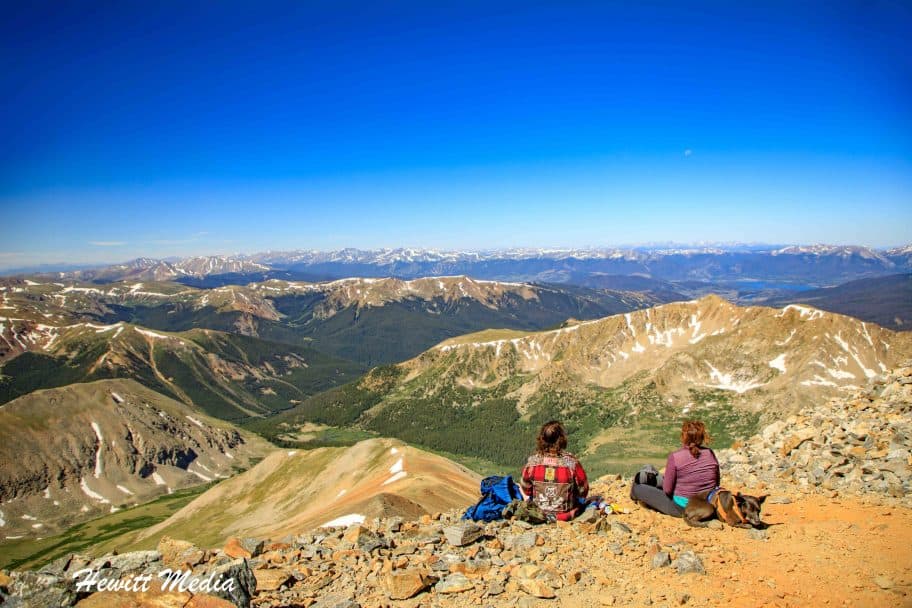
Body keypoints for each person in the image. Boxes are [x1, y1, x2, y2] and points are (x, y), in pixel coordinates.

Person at [630, 420, 720, 517]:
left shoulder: (675, 457)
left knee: (637, 487)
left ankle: (638, 489)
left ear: (683, 437)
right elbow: (716, 483)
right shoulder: (710, 453)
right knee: (651, 470)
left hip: (682, 508)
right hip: (706, 504)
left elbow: (667, 490)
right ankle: (650, 473)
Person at [520, 420, 589, 521]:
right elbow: (583, 490)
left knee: (518, 487)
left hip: (538, 514)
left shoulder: (532, 462)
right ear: (561, 439)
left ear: (542, 439)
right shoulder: (572, 463)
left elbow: (526, 489)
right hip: (565, 514)